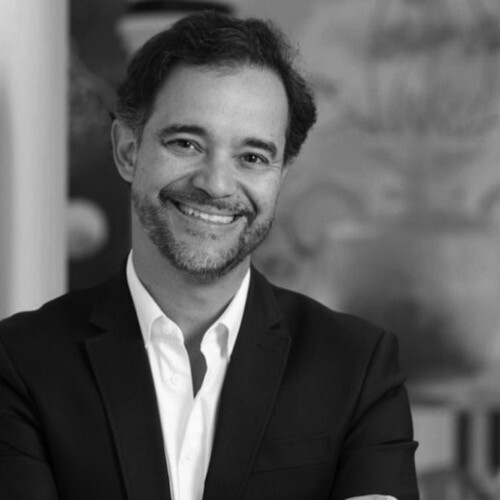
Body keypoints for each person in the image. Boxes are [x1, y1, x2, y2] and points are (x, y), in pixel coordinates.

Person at [0, 11, 419, 500]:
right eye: (186, 143)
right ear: (128, 151)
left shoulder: (358, 368)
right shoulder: (21, 363)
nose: (217, 184)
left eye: (253, 157)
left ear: (280, 174)